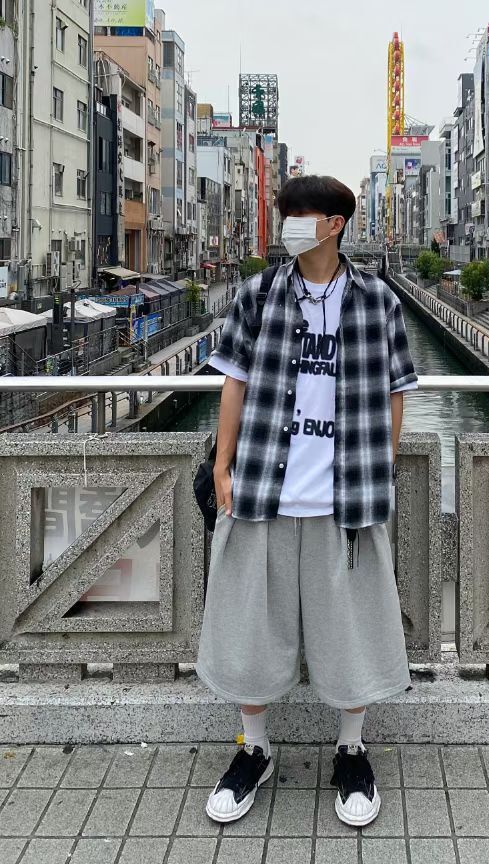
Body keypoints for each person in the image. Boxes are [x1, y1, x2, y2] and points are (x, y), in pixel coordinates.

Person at [196, 175, 418, 828]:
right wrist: (222, 466)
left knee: (351, 633)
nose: (290, 224)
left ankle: (351, 749)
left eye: (301, 215)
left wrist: (383, 466)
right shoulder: (259, 293)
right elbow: (234, 382)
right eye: (285, 213)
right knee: (249, 631)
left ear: (335, 224)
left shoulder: (378, 299)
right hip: (263, 489)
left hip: (344, 497)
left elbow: (396, 390)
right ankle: (254, 749)